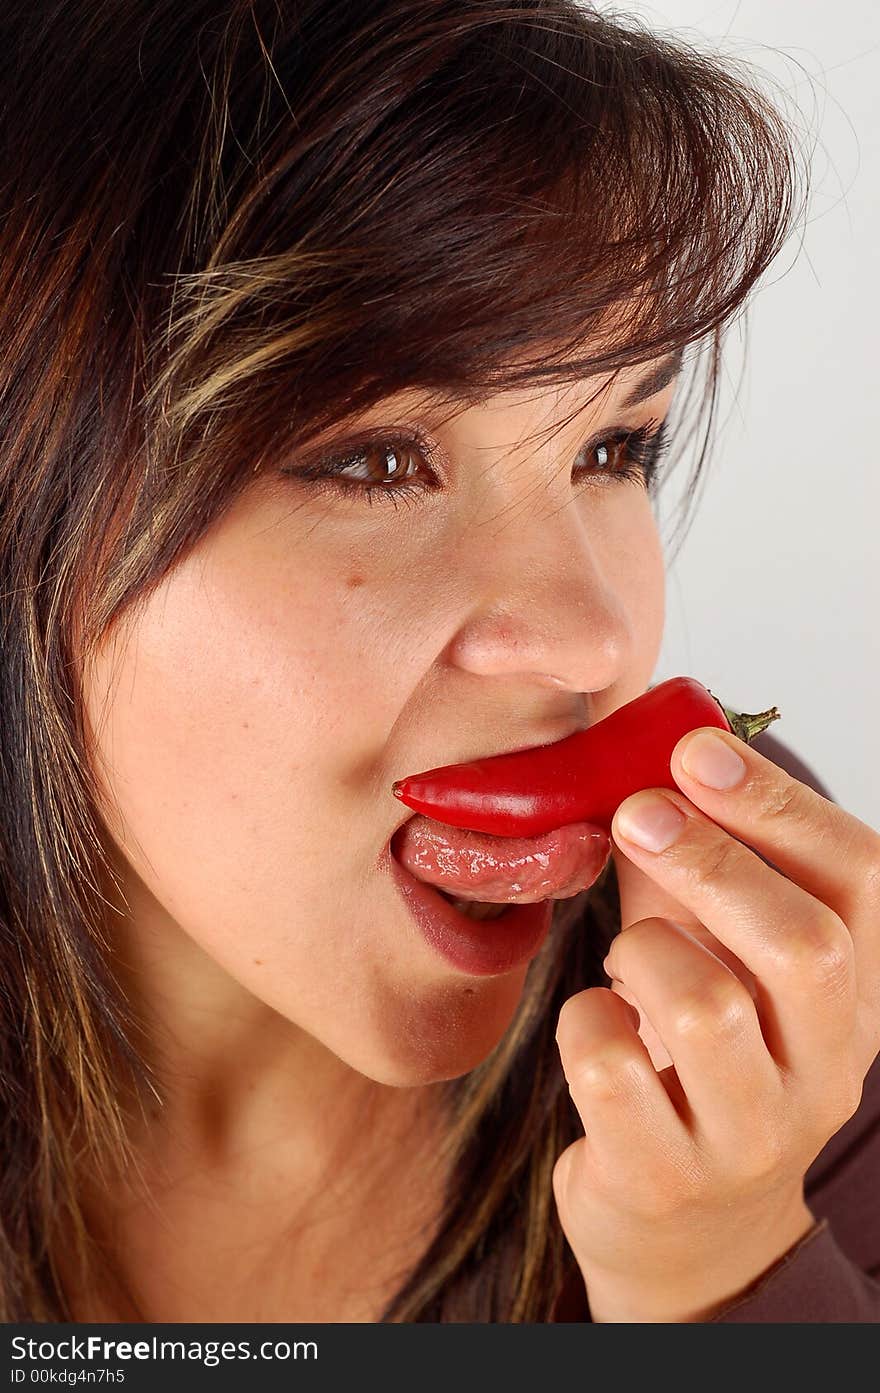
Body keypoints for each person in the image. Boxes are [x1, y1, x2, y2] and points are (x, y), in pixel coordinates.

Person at [1, 0, 877, 1324]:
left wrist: (726, 1269)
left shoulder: (765, 992)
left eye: (615, 447)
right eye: (374, 460)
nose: (594, 640)